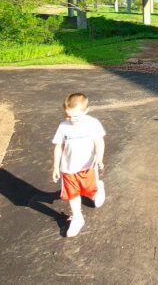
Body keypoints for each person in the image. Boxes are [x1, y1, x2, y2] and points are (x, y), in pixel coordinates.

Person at [52, 92, 106, 237]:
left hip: (88, 166)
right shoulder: (63, 126)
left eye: (75, 116)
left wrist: (99, 158)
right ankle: (77, 217)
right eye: (68, 116)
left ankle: (97, 188)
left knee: (88, 190)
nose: (71, 119)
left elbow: (99, 142)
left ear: (85, 111)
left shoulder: (92, 123)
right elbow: (58, 146)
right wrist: (56, 166)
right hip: (68, 168)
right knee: (72, 193)